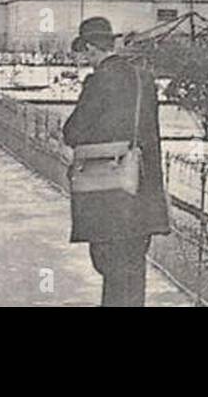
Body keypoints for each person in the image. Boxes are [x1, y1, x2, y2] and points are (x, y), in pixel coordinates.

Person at [62, 17, 171, 306]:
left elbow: (73, 132)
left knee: (111, 267)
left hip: (108, 190)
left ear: (89, 48)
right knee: (133, 268)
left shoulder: (99, 81)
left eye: (83, 53)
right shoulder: (143, 79)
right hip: (142, 187)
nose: (83, 59)